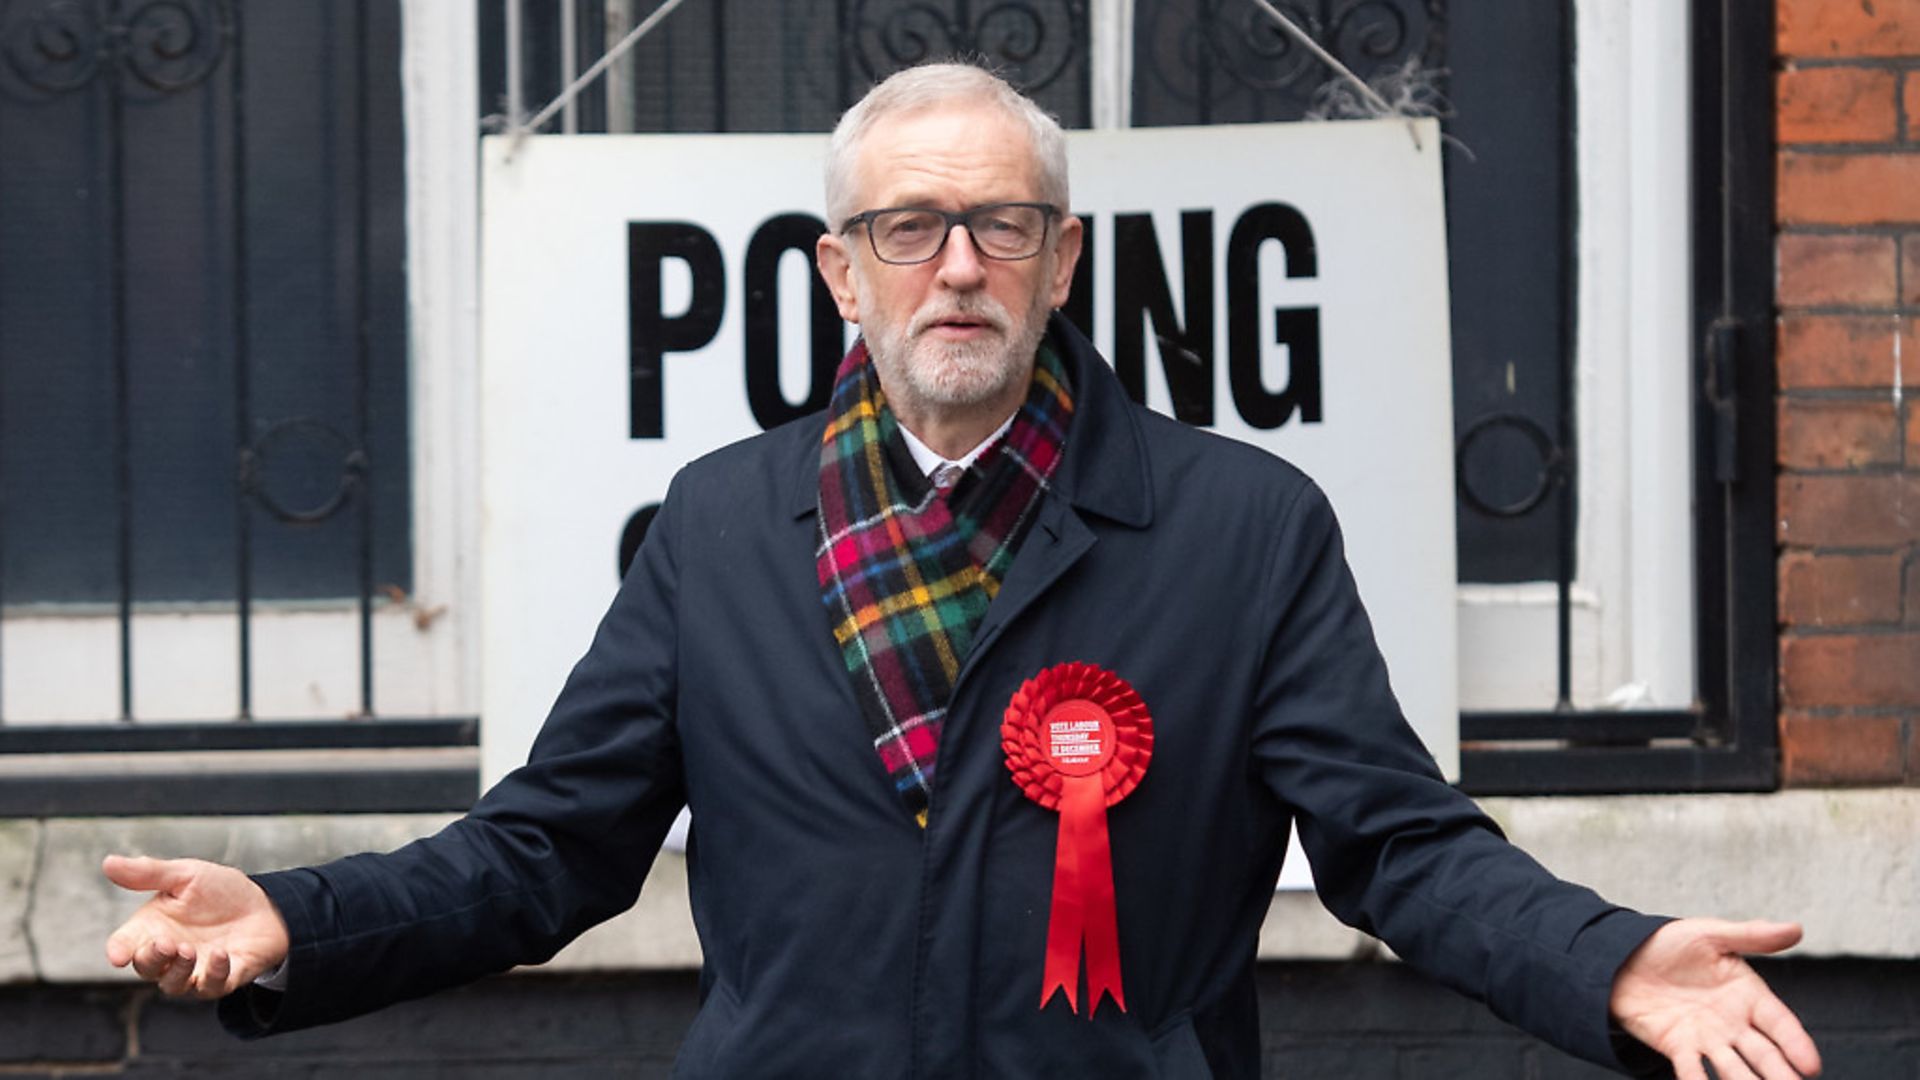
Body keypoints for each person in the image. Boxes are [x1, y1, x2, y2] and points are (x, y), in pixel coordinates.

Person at [104, 62, 1821, 1080]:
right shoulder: (720, 528)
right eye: (908, 229)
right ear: (840, 274)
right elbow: (547, 851)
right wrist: (292, 923)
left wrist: (1606, 961)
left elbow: (1402, 849)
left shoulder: (1241, 527)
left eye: (1002, 225)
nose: (958, 268)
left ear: (1063, 259)